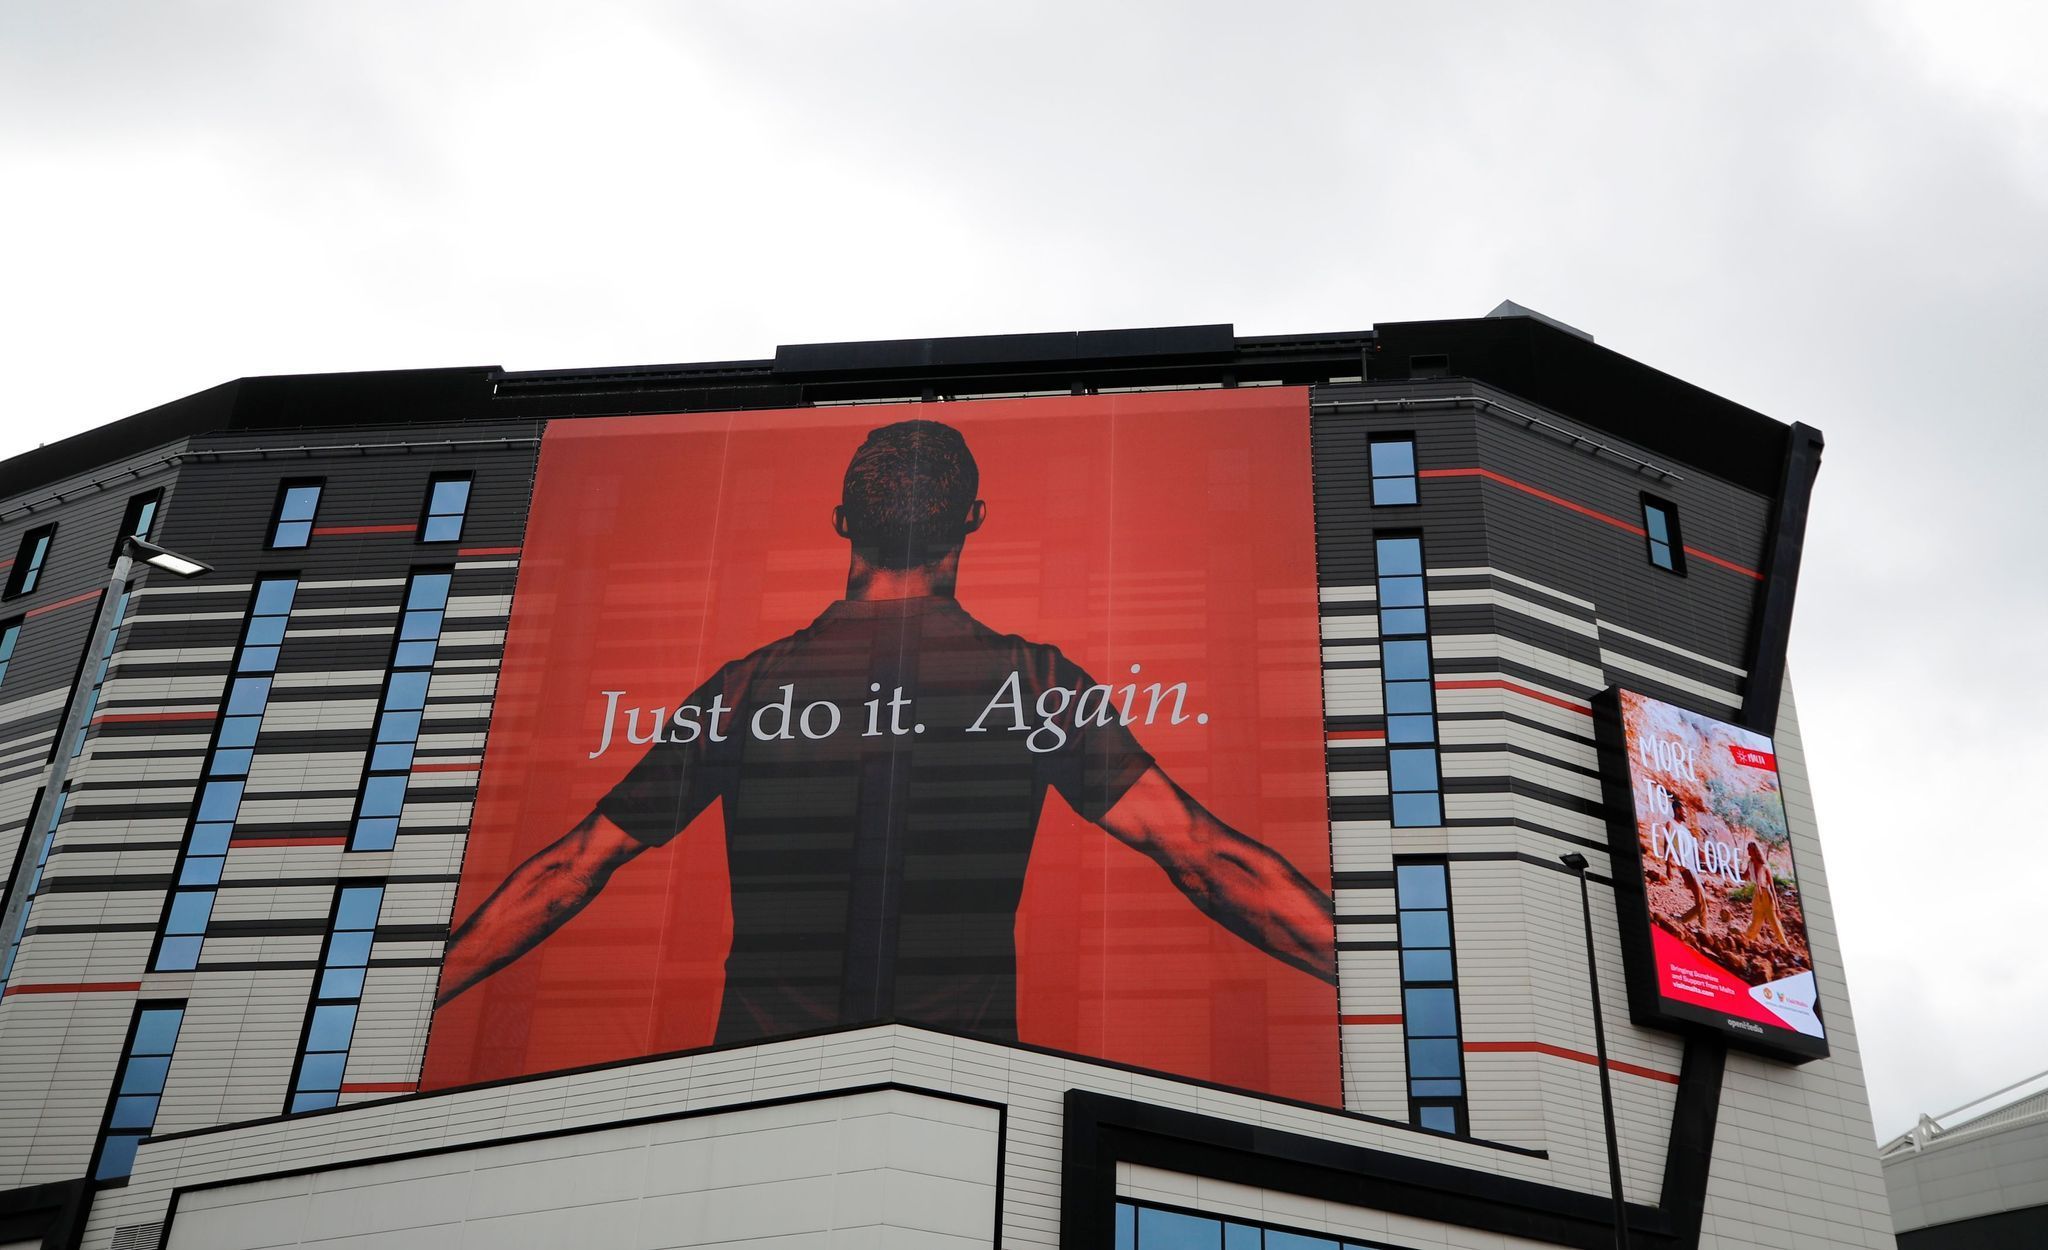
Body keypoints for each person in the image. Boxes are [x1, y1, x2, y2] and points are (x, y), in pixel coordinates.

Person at [436, 419, 1336, 1046]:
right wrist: (1388, 983)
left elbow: (568, 870)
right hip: (955, 1106)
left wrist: (393, 1003)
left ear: (843, 524)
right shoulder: (1033, 684)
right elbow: (1207, 857)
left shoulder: (748, 690)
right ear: (971, 522)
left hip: (757, 1098)